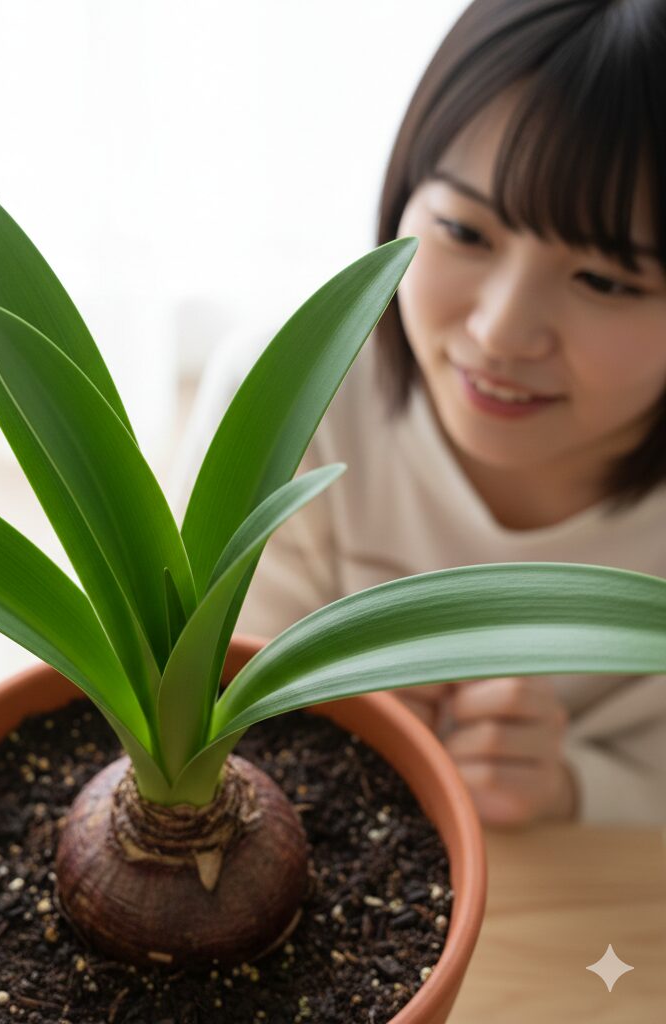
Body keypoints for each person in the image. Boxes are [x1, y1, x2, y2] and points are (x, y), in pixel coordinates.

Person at [173, 0, 666, 827]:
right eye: (463, 231)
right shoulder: (289, 399)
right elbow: (203, 708)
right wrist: (344, 724)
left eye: (606, 281)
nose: (500, 331)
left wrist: (570, 788)